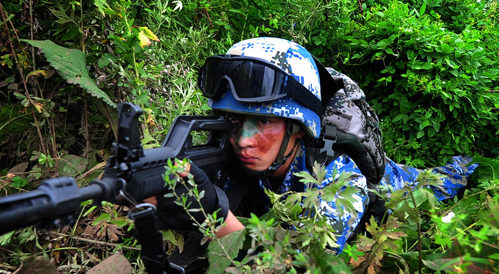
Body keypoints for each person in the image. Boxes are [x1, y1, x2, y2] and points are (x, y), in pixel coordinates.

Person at [151, 37, 477, 252]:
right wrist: (151, 195)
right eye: (234, 119)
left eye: (264, 121)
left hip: (401, 187)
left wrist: (216, 216)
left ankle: (471, 163)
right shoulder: (238, 152)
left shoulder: (340, 174)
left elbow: (305, 263)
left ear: (298, 128)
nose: (243, 140)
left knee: (449, 178)